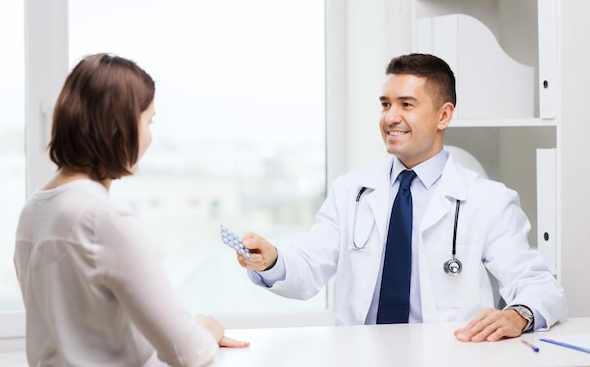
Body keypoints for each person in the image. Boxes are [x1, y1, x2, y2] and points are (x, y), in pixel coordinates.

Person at [234, 53, 566, 342]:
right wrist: (273, 261)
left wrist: (518, 314)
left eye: (406, 105)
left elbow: (539, 285)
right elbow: (308, 270)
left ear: (444, 115)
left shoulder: (488, 200)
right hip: (360, 356)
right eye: (385, 104)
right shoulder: (351, 192)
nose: (390, 117)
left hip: (449, 356)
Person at [14, 53, 249, 366]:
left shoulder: (33, 211)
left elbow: (83, 329)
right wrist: (205, 330)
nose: (150, 136)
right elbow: (188, 352)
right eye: (148, 121)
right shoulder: (102, 216)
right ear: (119, 127)